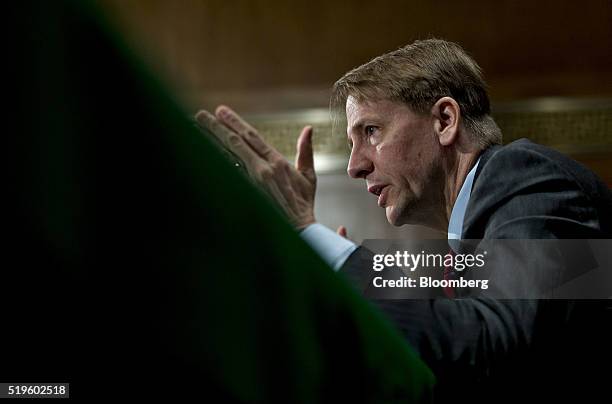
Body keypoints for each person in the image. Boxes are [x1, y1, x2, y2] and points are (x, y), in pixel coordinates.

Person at [196, 39, 612, 402]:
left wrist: (314, 236)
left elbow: (497, 347)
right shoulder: (468, 245)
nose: (355, 166)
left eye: (371, 131)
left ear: (445, 121)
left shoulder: (523, 174)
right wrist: (353, 283)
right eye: (351, 143)